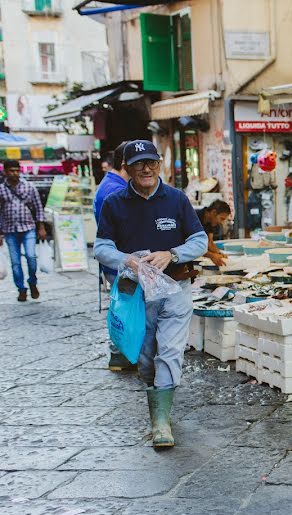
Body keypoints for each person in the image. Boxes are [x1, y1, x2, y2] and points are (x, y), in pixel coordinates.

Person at [94, 140, 207, 448]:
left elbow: (200, 241)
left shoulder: (177, 199)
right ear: (127, 168)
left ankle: (161, 424)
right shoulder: (114, 203)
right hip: (137, 296)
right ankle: (157, 403)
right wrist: (125, 259)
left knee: (169, 352)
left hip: (175, 289)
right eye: (139, 163)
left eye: (152, 162)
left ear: (160, 164)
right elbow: (101, 247)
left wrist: (172, 254)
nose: (146, 168)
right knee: (145, 360)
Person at [94, 142, 132, 370]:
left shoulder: (111, 183)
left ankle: (121, 354)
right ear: (126, 164)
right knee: (124, 308)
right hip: (120, 259)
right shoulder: (115, 190)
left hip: (116, 259)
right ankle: (118, 354)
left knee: (123, 307)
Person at [0, 159, 47, 301]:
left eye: (17, 170)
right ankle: (21, 288)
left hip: (28, 228)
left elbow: (38, 207)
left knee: (31, 257)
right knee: (15, 263)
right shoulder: (1, 189)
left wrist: (41, 227)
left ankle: (32, 282)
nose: (15, 173)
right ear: (5, 172)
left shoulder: (29, 187)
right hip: (9, 230)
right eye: (11, 171)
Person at [196, 199, 231, 267]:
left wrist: (220, 254)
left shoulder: (210, 221)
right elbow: (193, 246)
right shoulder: (194, 218)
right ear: (214, 212)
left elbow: (210, 243)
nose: (221, 222)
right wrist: (212, 256)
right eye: (222, 218)